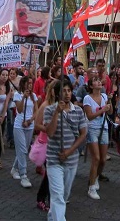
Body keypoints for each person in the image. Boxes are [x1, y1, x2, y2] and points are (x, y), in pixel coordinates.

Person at [44, 78, 88, 221]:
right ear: (57, 94)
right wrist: (57, 112)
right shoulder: (50, 110)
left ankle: (52, 217)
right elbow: (49, 133)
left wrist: (70, 151)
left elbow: (83, 134)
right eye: (63, 91)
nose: (67, 94)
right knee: (57, 196)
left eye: (69, 90)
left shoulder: (79, 111)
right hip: (54, 159)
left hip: (71, 160)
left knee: (63, 195)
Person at [83, 73, 113, 199]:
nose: (99, 82)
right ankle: (91, 187)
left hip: (104, 128)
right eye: (95, 80)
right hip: (92, 129)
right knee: (95, 157)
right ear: (91, 85)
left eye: (98, 80)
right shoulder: (87, 99)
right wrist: (102, 110)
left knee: (103, 159)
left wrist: (109, 103)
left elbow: (110, 112)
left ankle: (94, 178)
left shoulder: (104, 96)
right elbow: (89, 116)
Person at [34, 80, 58, 212]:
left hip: (58, 143)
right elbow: (37, 125)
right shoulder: (45, 105)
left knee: (54, 172)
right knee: (50, 173)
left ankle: (53, 197)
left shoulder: (61, 105)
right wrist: (48, 129)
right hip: (46, 143)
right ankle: (41, 198)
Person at [12, 75, 38, 187]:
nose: (30, 85)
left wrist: (30, 120)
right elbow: (19, 109)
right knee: (22, 150)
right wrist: (23, 98)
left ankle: (14, 168)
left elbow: (36, 111)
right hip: (19, 125)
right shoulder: (17, 95)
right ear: (23, 84)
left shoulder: (34, 96)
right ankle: (23, 175)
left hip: (29, 125)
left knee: (23, 149)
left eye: (32, 83)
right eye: (28, 83)